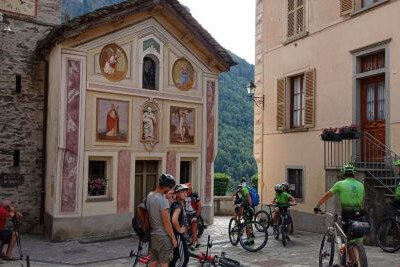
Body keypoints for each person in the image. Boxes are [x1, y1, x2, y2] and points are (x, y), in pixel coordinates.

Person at [314, 163, 365, 235]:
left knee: (347, 237)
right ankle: (357, 245)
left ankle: (346, 245)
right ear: (354, 174)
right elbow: (362, 200)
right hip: (359, 213)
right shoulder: (361, 185)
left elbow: (326, 196)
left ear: (343, 174)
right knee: (357, 237)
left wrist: (317, 206)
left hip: (347, 214)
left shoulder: (340, 184)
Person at [147, 174, 177, 267]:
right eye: (170, 187)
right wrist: (173, 238)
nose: (170, 190)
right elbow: (166, 222)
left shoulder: (150, 195)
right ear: (167, 187)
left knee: (153, 261)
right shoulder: (163, 201)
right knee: (164, 263)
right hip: (163, 237)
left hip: (153, 235)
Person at [170, 184, 190, 267]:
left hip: (179, 236)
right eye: (182, 192)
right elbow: (174, 220)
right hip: (179, 236)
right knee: (185, 259)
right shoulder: (178, 206)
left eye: (185, 191)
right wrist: (180, 230)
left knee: (175, 257)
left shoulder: (179, 204)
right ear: (177, 194)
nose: (185, 193)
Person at [185, 183, 203, 250]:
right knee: (185, 228)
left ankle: (193, 244)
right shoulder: (183, 195)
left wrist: (196, 216)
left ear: (191, 189)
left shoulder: (194, 195)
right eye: (186, 189)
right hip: (186, 214)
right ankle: (196, 242)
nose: (187, 191)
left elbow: (200, 206)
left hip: (193, 214)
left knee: (194, 229)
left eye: (189, 189)